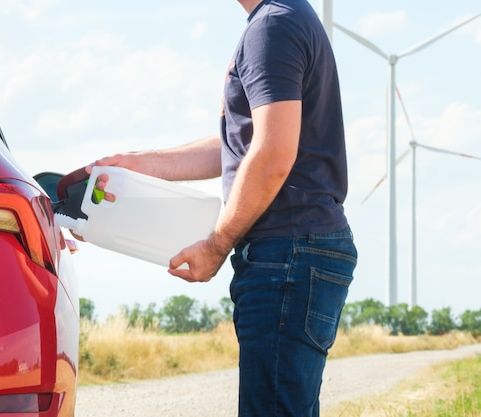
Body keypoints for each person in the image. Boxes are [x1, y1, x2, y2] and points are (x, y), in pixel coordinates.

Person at [85, 0, 357, 415]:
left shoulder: (273, 26)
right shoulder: (280, 20)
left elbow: (271, 155)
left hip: (287, 252)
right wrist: (143, 164)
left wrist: (217, 244)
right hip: (296, 249)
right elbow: (240, 145)